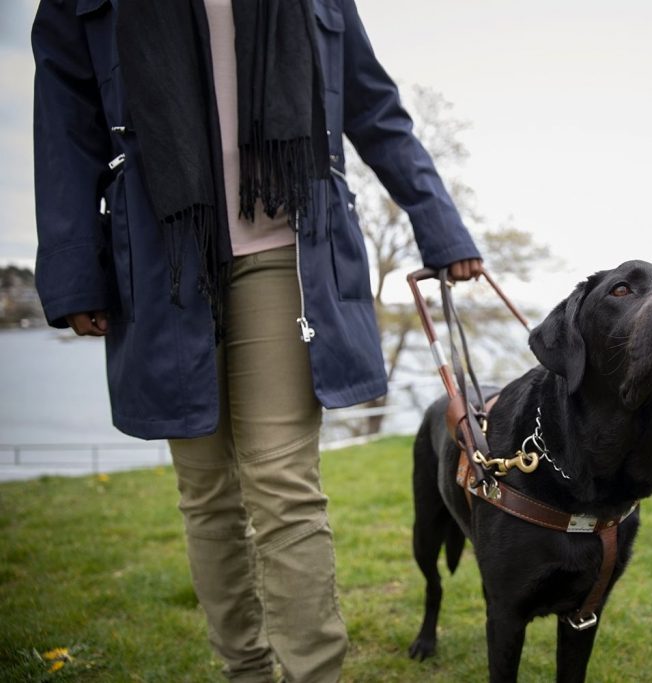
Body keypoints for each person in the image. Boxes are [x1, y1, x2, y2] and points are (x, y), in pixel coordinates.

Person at [32, 1, 482, 681]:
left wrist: (439, 224)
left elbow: (372, 104)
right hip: (164, 256)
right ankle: (245, 670)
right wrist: (74, 273)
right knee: (206, 490)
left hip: (286, 244)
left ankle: (314, 674)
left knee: (282, 479)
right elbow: (63, 122)